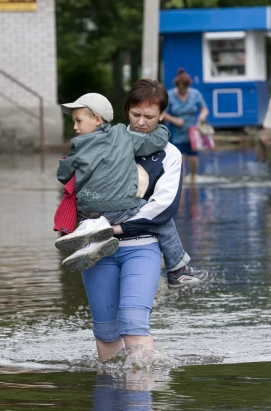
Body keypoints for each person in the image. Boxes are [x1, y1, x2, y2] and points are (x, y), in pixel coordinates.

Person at [80, 79, 208, 361]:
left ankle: (140, 394)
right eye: (135, 114)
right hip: (97, 250)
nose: (140, 122)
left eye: (149, 117)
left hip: (141, 247)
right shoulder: (101, 143)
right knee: (105, 330)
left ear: (162, 115)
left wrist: (116, 227)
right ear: (126, 111)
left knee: (134, 321)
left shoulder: (171, 155)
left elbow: (163, 208)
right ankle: (110, 391)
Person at [56, 92, 208, 290]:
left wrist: (67, 163)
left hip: (85, 211)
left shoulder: (78, 145)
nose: (75, 126)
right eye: (137, 115)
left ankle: (90, 238)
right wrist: (163, 130)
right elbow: (153, 142)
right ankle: (177, 270)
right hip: (117, 209)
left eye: (77, 121)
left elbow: (63, 175)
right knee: (162, 219)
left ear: (96, 119)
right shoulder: (121, 136)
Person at [163, 68, 209, 184]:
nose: (183, 90)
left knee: (193, 156)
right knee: (179, 157)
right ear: (177, 85)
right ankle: (181, 182)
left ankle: (193, 178)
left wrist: (202, 116)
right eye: (180, 88)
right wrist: (174, 120)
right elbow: (162, 113)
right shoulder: (170, 95)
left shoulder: (195, 94)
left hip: (192, 132)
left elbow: (204, 109)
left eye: (185, 88)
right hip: (176, 132)